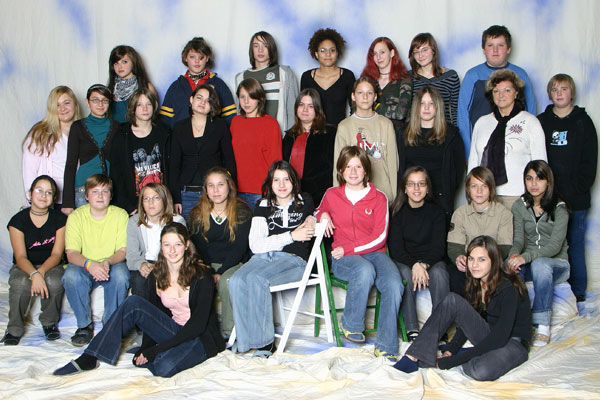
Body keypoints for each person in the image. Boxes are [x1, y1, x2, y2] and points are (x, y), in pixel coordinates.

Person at [54, 222, 225, 378]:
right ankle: (90, 356)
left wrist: (156, 350)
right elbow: (153, 317)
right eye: (167, 245)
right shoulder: (157, 275)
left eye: (178, 244)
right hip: (173, 330)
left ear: (186, 245)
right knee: (133, 303)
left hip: (199, 338)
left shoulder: (202, 276)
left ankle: (166, 353)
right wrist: (146, 347)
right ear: (161, 246)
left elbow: (197, 326)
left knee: (163, 367)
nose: (172, 250)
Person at [393, 235, 531, 382]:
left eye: (482, 260)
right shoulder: (477, 282)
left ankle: (469, 354)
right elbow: (469, 319)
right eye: (471, 259)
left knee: (479, 371)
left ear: (494, 260)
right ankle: (413, 356)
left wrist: (452, 361)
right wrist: (451, 349)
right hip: (489, 335)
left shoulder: (508, 288)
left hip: (512, 343)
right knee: (452, 300)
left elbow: (500, 338)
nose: (475, 265)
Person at [316, 146, 403, 361]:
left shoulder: (379, 198)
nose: (353, 172)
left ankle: (385, 346)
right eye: (348, 167)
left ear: (366, 170)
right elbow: (317, 211)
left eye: (358, 166)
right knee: (364, 270)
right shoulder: (332, 194)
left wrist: (349, 248)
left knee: (394, 284)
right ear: (340, 170)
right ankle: (351, 324)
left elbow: (380, 237)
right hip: (345, 259)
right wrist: (323, 214)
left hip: (374, 253)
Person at [228, 161, 315, 356]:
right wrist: (291, 236)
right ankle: (245, 341)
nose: (281, 185)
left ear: (294, 181)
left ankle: (265, 344)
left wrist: (316, 217)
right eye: (276, 180)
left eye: (286, 179)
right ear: (270, 183)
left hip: (293, 260)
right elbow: (256, 245)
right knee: (236, 280)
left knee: (256, 279)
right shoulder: (263, 205)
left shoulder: (305, 201)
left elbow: (321, 212)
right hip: (263, 258)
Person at [537, 73, 598, 313]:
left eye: (564, 88)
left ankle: (579, 292)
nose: (559, 93)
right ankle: (554, 293)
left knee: (575, 243)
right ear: (549, 94)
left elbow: (590, 161)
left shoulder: (583, 122)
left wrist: (579, 188)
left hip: (576, 199)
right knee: (549, 245)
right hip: (549, 198)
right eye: (555, 89)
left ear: (572, 92)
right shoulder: (542, 121)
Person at [62, 174, 129, 346]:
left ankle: (111, 325)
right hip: (84, 265)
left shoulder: (120, 215)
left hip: (111, 264)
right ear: (86, 195)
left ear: (111, 195)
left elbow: (122, 251)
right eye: (95, 191)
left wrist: (107, 262)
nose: (100, 196)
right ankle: (84, 326)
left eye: (105, 191)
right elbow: (71, 253)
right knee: (70, 275)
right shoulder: (76, 216)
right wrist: (89, 264)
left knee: (121, 275)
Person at [508, 160, 569, 347]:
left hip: (556, 264)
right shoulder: (519, 205)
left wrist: (524, 257)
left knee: (540, 264)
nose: (534, 184)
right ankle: (517, 322)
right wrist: (513, 256)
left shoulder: (560, 208)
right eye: (529, 178)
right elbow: (518, 240)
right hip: (529, 261)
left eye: (539, 179)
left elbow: (554, 247)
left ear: (548, 181)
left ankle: (543, 324)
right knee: (508, 265)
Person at [1, 176, 67, 345]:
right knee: (20, 283)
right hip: (24, 265)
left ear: (54, 198)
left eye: (49, 192)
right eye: (39, 190)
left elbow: (57, 254)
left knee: (54, 281)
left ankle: (49, 323)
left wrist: (41, 272)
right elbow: (20, 257)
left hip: (51, 264)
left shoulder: (60, 219)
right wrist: (33, 273)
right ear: (30, 193)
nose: (43, 195)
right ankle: (14, 329)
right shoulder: (17, 221)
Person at [467, 69, 546, 209]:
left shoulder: (530, 122)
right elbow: (474, 162)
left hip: (518, 196)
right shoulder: (481, 122)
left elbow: (541, 164)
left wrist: (538, 200)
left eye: (507, 90)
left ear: (516, 93)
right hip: (485, 196)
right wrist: (471, 192)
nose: (501, 95)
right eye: (496, 91)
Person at [189, 167, 252, 338]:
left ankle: (229, 333)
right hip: (206, 264)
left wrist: (221, 272)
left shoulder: (242, 211)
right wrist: (209, 271)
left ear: (229, 186)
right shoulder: (197, 214)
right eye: (211, 185)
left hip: (234, 263)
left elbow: (239, 248)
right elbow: (199, 248)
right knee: (198, 280)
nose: (216, 190)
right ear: (206, 189)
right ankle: (201, 332)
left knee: (226, 282)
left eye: (220, 184)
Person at [388, 166, 449, 341]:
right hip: (405, 260)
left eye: (421, 184)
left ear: (427, 187)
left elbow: (438, 248)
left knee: (440, 274)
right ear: (405, 188)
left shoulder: (437, 212)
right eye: (411, 184)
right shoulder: (397, 213)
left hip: (431, 260)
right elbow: (396, 249)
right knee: (405, 274)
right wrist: (414, 265)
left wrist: (423, 265)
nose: (416, 188)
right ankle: (411, 327)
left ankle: (439, 327)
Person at [458, 25, 536, 157]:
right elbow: (463, 116)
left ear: (508, 49)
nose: (495, 50)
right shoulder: (473, 76)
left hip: (515, 148)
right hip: (482, 147)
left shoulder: (520, 75)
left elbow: (531, 112)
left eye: (500, 45)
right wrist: (468, 152)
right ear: (483, 49)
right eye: (490, 45)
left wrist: (529, 148)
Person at [170, 84, 236, 220]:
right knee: (187, 231)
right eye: (199, 98)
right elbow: (174, 165)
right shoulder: (179, 127)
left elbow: (229, 160)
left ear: (212, 106)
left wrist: (230, 192)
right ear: (191, 100)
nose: (202, 102)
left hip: (213, 193)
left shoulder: (220, 126)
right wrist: (175, 198)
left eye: (208, 100)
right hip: (186, 194)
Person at [397, 86, 464, 219]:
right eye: (422, 103)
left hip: (440, 199)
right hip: (411, 198)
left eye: (431, 103)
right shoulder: (403, 133)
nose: (426, 108)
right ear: (416, 107)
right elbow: (399, 168)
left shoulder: (451, 135)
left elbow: (458, 170)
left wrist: (447, 192)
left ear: (437, 106)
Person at [447, 167, 513, 297]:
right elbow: (454, 245)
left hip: (493, 262)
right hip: (468, 263)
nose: (479, 191)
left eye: (484, 186)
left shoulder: (504, 214)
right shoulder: (459, 214)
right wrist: (459, 257)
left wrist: (485, 262)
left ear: (491, 189)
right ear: (468, 189)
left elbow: (505, 246)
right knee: (455, 275)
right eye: (474, 186)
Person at [334, 76, 398, 202]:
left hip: (382, 193)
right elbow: (339, 165)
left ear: (375, 97)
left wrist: (394, 196)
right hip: (353, 197)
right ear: (353, 96)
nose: (365, 97)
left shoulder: (386, 124)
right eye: (360, 93)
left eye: (369, 93)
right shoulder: (344, 126)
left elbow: (393, 164)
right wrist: (339, 199)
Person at [110, 88, 170, 214]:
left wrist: (171, 200)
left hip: (162, 203)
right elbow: (116, 175)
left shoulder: (164, 133)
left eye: (148, 104)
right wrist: (127, 206)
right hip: (133, 206)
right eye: (140, 105)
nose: (145, 109)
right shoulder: (121, 136)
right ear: (133, 108)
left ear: (154, 107)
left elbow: (172, 169)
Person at [62, 84, 119, 214]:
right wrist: (67, 202)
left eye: (104, 100)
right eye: (95, 100)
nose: (100, 104)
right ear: (87, 102)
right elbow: (70, 165)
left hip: (108, 191)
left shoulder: (117, 127)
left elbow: (121, 164)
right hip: (83, 189)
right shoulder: (77, 127)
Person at [22, 86, 81, 209]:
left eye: (66, 103)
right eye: (57, 105)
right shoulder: (40, 133)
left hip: (78, 200)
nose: (62, 108)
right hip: (49, 202)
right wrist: (33, 202)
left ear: (75, 105)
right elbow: (29, 170)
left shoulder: (84, 132)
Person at [159, 37, 237, 128]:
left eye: (201, 57)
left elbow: (230, 119)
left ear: (207, 58)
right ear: (185, 58)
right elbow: (164, 121)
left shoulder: (219, 85)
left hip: (210, 136)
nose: (197, 61)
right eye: (192, 57)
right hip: (181, 136)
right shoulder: (176, 87)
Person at [127, 183, 185, 299]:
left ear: (164, 200)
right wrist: (141, 265)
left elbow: (181, 254)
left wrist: (159, 267)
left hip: (169, 263)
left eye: (156, 198)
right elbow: (132, 255)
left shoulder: (177, 221)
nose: (151, 203)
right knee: (139, 280)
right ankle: (141, 311)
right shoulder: (134, 221)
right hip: (144, 262)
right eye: (146, 199)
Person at [230, 78, 282, 208]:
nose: (246, 101)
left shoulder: (270, 124)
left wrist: (273, 189)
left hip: (261, 190)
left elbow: (275, 160)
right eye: (242, 97)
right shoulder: (235, 122)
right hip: (236, 190)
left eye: (251, 97)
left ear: (259, 98)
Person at [235, 31, 299, 132]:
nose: (260, 50)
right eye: (256, 46)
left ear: (271, 48)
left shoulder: (284, 73)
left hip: (279, 135)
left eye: (265, 45)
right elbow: (240, 112)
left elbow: (294, 109)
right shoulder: (241, 77)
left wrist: (290, 136)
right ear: (251, 49)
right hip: (251, 135)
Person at [282, 88, 335, 205]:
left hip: (321, 196)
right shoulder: (289, 136)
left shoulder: (330, 134)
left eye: (310, 106)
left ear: (317, 109)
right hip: (292, 196)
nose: (305, 109)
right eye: (301, 105)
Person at [300, 28, 355, 126]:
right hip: (313, 131)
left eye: (332, 50)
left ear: (337, 53)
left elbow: (355, 107)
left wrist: (350, 129)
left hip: (340, 132)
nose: (328, 54)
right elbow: (303, 109)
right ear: (316, 54)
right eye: (323, 50)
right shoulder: (306, 77)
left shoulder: (347, 76)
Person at [361, 37, 412, 134]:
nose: (378, 57)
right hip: (370, 134)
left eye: (382, 52)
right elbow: (358, 110)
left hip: (396, 135)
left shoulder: (404, 79)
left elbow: (400, 113)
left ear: (392, 53)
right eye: (375, 53)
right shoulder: (367, 79)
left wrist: (374, 105)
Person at [408, 33, 460, 126]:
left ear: (433, 50)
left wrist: (455, 132)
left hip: (444, 130)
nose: (420, 55)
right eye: (416, 52)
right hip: (416, 131)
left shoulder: (451, 76)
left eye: (424, 50)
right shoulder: (408, 77)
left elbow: (456, 110)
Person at [107, 45, 157, 123]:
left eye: (124, 62)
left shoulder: (147, 87)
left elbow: (153, 119)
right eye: (116, 63)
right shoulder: (109, 89)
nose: (120, 66)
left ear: (133, 62)